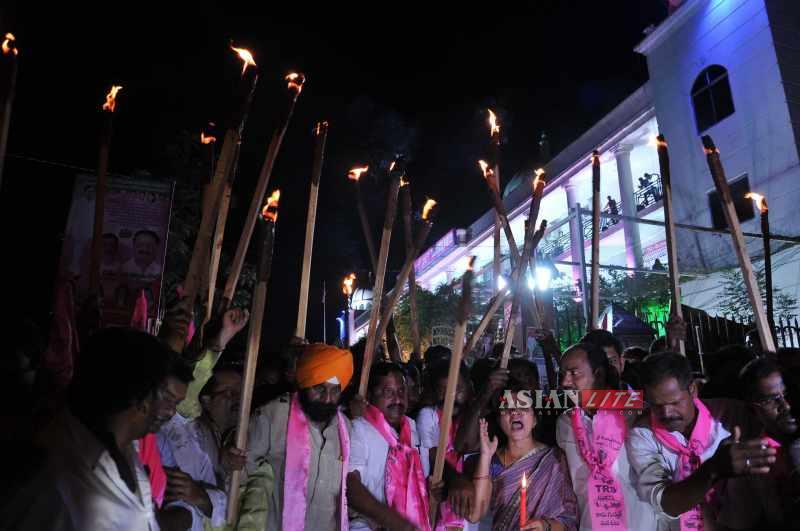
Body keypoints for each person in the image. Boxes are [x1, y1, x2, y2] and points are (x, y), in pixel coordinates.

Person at [1, 327, 187, 530]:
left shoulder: (127, 448)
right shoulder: (56, 483)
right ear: (140, 397)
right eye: (164, 395)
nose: (169, 411)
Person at [627, 351, 776, 530]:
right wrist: (713, 470)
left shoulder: (731, 415)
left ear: (693, 389)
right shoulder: (643, 435)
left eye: (674, 403)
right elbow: (665, 502)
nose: (666, 413)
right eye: (657, 406)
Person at [247, 343, 354, 531]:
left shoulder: (346, 429)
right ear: (304, 384)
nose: (327, 399)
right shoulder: (272, 416)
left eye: (335, 390)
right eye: (319, 389)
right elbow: (242, 473)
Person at [556, 343, 658, 530]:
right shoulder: (565, 423)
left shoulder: (639, 414)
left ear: (598, 374)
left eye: (574, 373)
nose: (565, 382)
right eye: (562, 374)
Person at [466, 386, 578, 530]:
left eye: (523, 405)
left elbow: (569, 518)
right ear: (500, 421)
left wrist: (545, 526)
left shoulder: (555, 459)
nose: (514, 412)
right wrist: (485, 456)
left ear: (535, 419)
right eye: (507, 407)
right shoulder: (492, 462)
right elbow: (475, 515)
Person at [348, 362, 431, 531]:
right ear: (370, 396)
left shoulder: (412, 427)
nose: (398, 399)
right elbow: (350, 485)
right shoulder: (359, 428)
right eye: (388, 393)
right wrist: (393, 521)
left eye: (402, 391)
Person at [736, 358, 800, 527]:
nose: (785, 406)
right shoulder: (759, 458)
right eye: (770, 400)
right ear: (753, 410)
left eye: (786, 394)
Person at [416, 360, 474, 529]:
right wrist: (456, 479)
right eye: (443, 391)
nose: (451, 398)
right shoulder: (429, 416)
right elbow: (433, 455)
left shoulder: (471, 418)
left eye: (457, 389)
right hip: (437, 510)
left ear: (469, 388)